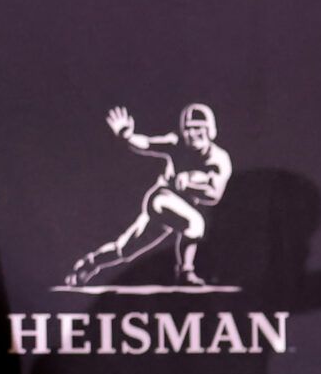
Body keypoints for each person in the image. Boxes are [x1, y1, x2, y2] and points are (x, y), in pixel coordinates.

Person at [64, 103, 232, 288]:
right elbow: (148, 143)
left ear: (209, 130)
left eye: (198, 128)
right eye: (189, 128)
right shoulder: (177, 143)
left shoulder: (219, 159)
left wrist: (191, 185)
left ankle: (90, 263)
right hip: (162, 199)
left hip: (181, 207)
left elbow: (214, 195)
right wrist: (127, 135)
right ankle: (185, 272)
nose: (193, 133)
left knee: (125, 250)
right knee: (195, 224)